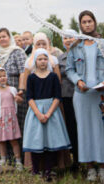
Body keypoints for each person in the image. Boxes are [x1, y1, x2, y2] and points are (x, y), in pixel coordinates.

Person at [65, 10, 104, 183]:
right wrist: (78, 81)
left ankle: (103, 169)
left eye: (90, 21)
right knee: (84, 130)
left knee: (103, 131)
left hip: (101, 95)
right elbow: (69, 69)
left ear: (95, 22)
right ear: (80, 25)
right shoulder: (75, 46)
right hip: (82, 95)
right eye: (84, 22)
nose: (87, 24)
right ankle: (90, 169)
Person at [22, 49, 71, 179]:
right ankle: (36, 170)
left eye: (45, 59)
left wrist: (48, 114)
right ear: (35, 61)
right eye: (40, 59)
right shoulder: (31, 77)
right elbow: (29, 97)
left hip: (51, 112)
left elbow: (57, 96)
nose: (43, 61)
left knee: (51, 141)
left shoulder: (53, 76)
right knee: (36, 140)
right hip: (36, 111)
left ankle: (49, 170)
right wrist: (38, 114)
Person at [0, 28, 28, 139]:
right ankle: (2, 154)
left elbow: (23, 72)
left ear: (9, 38)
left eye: (4, 36)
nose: (2, 39)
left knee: (16, 122)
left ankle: (19, 154)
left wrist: (21, 90)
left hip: (15, 93)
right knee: (0, 121)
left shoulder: (17, 52)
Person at [0, 67, 23, 169]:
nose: (2, 78)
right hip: (1, 118)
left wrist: (18, 99)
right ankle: (3, 159)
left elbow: (19, 101)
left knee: (14, 140)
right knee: (2, 140)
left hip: (11, 118)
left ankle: (18, 160)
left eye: (4, 76)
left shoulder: (12, 89)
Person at [58, 32, 80, 170]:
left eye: (70, 37)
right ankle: (74, 160)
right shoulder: (59, 58)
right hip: (66, 96)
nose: (68, 40)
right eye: (65, 38)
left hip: (81, 94)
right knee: (70, 128)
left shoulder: (81, 54)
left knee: (80, 128)